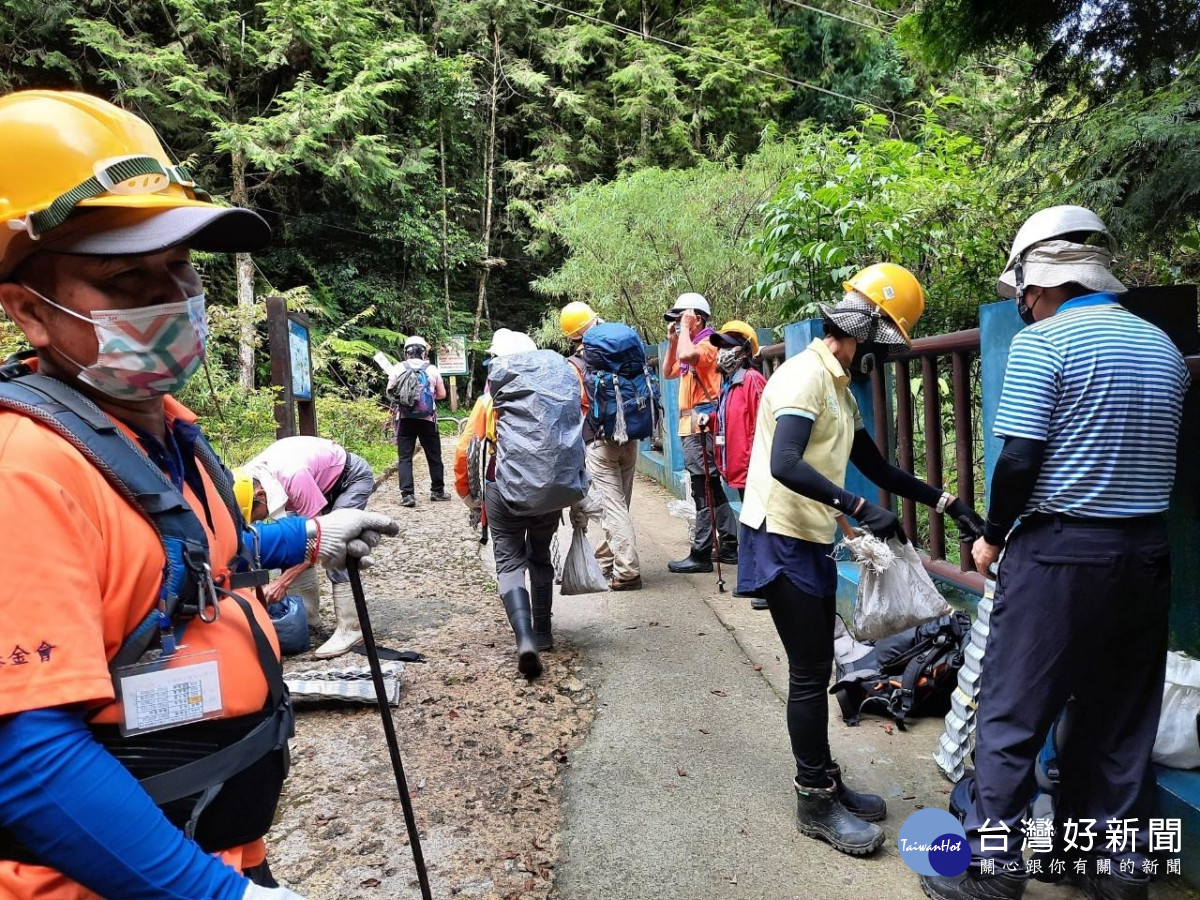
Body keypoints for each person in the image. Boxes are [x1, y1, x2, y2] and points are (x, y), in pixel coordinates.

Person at [0, 89, 397, 900]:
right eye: (126, 278)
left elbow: (201, 562)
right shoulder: (28, 471)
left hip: (211, 849)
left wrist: (317, 537)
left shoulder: (157, 432)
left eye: (178, 268)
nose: (171, 297)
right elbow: (25, 756)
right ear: (28, 313)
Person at [919, 208, 1190, 900]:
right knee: (1120, 717)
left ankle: (991, 870)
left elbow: (1019, 461)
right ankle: (1114, 868)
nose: (1024, 308)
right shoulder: (1160, 346)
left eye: (1023, 298)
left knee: (1013, 711)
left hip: (1061, 554)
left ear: (1035, 285)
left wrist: (993, 535)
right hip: (1146, 553)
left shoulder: (1046, 344)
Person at [739, 263, 984, 857]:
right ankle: (814, 800)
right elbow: (786, 464)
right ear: (863, 329)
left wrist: (950, 505)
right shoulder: (804, 379)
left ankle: (824, 777)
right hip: (780, 539)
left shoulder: (837, 385)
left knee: (818, 665)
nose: (879, 351)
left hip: (810, 537)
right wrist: (857, 507)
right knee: (806, 674)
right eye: (880, 338)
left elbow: (878, 468)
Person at [455, 329, 585, 678]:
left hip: (503, 490)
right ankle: (543, 633)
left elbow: (464, 451)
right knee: (540, 555)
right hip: (548, 490)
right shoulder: (554, 397)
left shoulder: (489, 402)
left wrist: (468, 496)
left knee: (510, 559)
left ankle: (524, 638)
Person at [239, 435, 377, 659]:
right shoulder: (246, 479)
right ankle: (307, 619)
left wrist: (281, 583)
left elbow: (321, 538)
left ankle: (352, 628)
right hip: (315, 484)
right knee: (291, 545)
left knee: (337, 549)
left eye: (254, 517)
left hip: (349, 478)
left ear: (261, 496)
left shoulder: (293, 478)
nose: (256, 523)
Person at [560, 301, 644, 591]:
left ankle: (628, 571)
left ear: (572, 336)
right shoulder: (620, 354)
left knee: (612, 507)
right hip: (630, 435)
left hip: (599, 441)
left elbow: (572, 409)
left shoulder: (574, 366)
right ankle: (607, 559)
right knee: (620, 504)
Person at [662, 293, 739, 573]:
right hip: (692, 427)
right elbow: (669, 370)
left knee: (702, 488)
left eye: (683, 317)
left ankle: (702, 552)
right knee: (710, 485)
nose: (680, 323)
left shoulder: (707, 344)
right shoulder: (689, 345)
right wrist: (673, 338)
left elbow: (686, 356)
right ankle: (729, 544)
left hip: (702, 427)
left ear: (697, 317)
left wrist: (685, 330)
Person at [708, 321, 767, 608]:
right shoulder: (729, 383)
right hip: (740, 470)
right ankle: (751, 581)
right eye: (721, 347)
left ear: (744, 352)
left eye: (729, 347)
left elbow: (762, 425)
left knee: (762, 525)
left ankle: (765, 586)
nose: (723, 353)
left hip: (755, 469)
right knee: (751, 522)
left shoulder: (753, 380)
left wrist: (760, 464)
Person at [389, 334, 449, 508]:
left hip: (405, 419)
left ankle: (407, 495)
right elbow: (442, 394)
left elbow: (391, 391)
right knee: (434, 456)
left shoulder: (398, 368)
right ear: (423, 352)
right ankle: (437, 491)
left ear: (407, 352)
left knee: (405, 458)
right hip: (428, 419)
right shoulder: (432, 369)